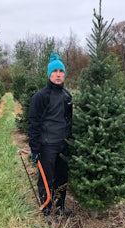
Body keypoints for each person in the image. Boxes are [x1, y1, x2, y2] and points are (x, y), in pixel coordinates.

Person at [28, 52, 73, 217]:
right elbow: (33, 123)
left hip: (64, 145)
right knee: (46, 179)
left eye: (61, 71)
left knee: (62, 177)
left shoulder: (67, 96)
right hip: (47, 146)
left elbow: (69, 120)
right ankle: (46, 210)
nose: (58, 74)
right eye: (55, 72)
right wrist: (35, 148)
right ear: (49, 74)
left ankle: (60, 207)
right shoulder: (40, 97)